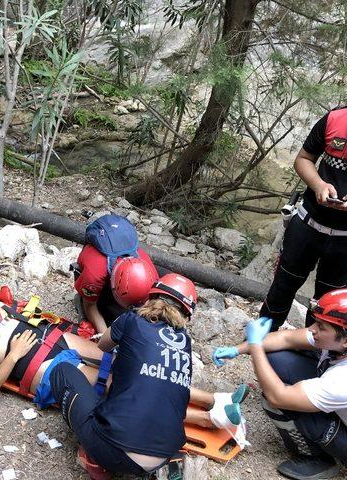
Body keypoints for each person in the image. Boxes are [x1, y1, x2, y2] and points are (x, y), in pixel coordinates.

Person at [0, 288, 244, 430]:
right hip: (37, 366)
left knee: (133, 367)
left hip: (51, 338)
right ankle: (210, 419)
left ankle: (216, 399)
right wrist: (14, 356)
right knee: (117, 390)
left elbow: (23, 315)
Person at [49, 274, 247, 477]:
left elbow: (103, 345)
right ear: (186, 314)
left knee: (62, 371)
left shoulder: (132, 319)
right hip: (164, 456)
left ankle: (95, 459)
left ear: (151, 297)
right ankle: (211, 413)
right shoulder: (184, 342)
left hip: (114, 450)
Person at [212, 289, 347, 480]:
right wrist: (238, 349)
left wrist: (256, 345)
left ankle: (319, 458)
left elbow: (278, 396)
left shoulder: (342, 380)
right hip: (338, 400)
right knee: (276, 359)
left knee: (273, 399)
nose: (313, 329)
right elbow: (286, 338)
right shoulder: (337, 339)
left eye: (322, 327)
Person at [260, 108, 347, 331]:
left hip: (344, 241)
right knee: (283, 285)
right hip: (307, 223)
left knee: (329, 303)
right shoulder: (335, 119)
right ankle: (260, 341)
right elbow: (304, 158)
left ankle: (314, 356)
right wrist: (318, 185)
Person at [74, 242, 159, 334]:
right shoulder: (95, 276)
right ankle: (79, 300)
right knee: (98, 316)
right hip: (94, 271)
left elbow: (152, 305)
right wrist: (104, 336)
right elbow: (90, 306)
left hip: (114, 273)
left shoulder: (151, 277)